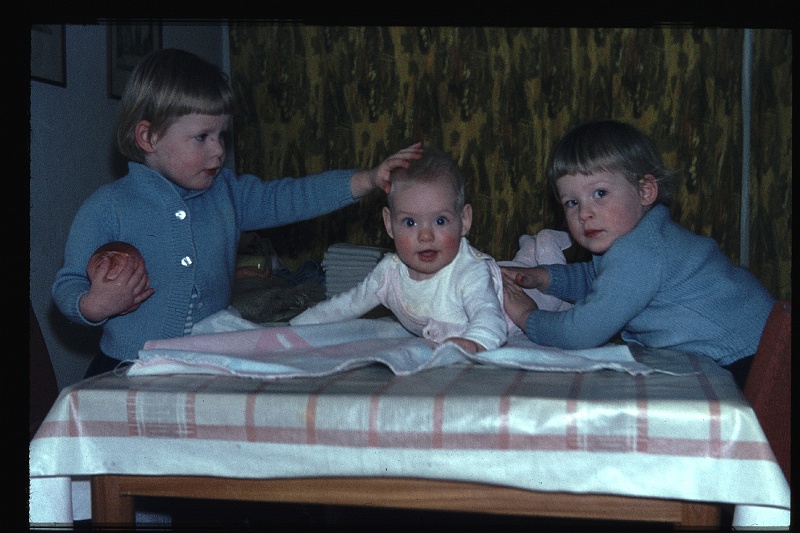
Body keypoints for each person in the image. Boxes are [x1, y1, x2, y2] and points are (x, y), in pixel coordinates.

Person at [52, 48, 423, 378]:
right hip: (127, 368)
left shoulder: (227, 193)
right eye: (202, 137)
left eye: (222, 136)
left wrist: (369, 179)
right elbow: (67, 287)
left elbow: (293, 197)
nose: (218, 152)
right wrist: (94, 304)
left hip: (207, 364)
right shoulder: (107, 206)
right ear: (147, 137)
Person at [501, 119, 775, 389]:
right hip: (758, 345)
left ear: (645, 191)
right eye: (572, 202)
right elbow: (599, 279)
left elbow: (581, 332)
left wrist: (528, 317)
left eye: (600, 193)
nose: (584, 213)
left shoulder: (640, 253)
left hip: (752, 358)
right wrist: (544, 277)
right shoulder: (644, 238)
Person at [291, 147, 509, 354]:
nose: (425, 236)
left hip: (511, 310)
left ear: (464, 220)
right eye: (410, 222)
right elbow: (346, 305)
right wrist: (294, 328)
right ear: (389, 224)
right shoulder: (389, 272)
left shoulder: (469, 271)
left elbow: (490, 317)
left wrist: (476, 343)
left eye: (440, 221)